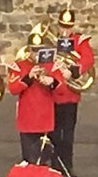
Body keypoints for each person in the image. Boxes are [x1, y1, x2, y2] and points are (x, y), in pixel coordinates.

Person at [8, 31, 65, 163]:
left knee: (43, 160)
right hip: (27, 119)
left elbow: (62, 89)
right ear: (28, 50)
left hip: (45, 119)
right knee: (28, 160)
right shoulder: (19, 66)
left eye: (39, 50)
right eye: (33, 51)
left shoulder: (51, 65)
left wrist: (52, 82)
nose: (36, 54)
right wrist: (28, 77)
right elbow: (13, 89)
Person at [51, 8, 95, 175]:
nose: (65, 30)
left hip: (70, 95)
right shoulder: (52, 41)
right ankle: (54, 164)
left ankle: (67, 164)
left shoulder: (79, 41)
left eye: (68, 26)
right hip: (54, 93)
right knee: (53, 132)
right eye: (62, 26)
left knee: (68, 133)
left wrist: (73, 71)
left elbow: (88, 59)